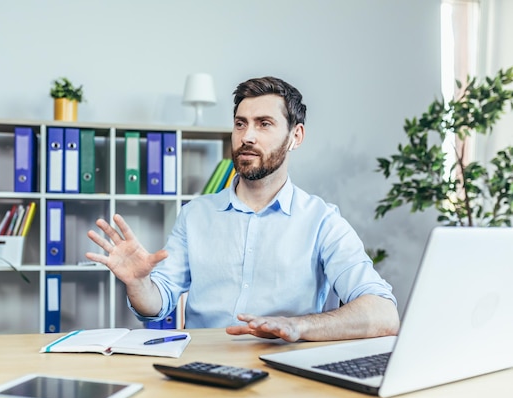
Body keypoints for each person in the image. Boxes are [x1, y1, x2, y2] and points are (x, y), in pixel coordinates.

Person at [86, 76, 400, 342]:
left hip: (283, 373)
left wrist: (298, 325)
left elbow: (383, 313)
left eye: (264, 124)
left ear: (296, 136)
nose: (247, 136)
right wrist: (138, 283)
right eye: (240, 124)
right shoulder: (195, 214)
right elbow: (158, 303)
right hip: (201, 371)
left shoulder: (322, 221)